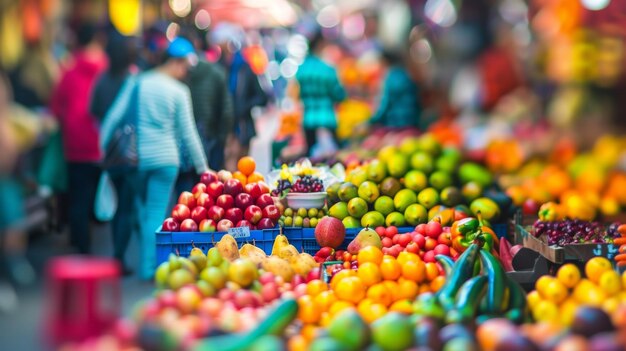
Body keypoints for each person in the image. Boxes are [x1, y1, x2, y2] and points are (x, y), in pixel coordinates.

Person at [101, 37, 208, 280]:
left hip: (137, 160)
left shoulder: (137, 82)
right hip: (166, 160)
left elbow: (113, 117)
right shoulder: (179, 91)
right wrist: (204, 167)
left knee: (142, 208)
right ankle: (150, 268)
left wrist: (102, 148)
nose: (185, 73)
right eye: (185, 67)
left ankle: (147, 261)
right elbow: (188, 132)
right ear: (176, 62)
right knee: (156, 213)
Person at [49, 23, 108, 254]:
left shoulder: (69, 71)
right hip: (102, 142)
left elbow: (56, 107)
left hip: (75, 144)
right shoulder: (107, 69)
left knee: (78, 197)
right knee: (99, 194)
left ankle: (80, 246)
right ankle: (97, 240)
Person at [90, 30, 137, 275]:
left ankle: (115, 255)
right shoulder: (133, 81)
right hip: (130, 153)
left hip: (109, 151)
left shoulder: (101, 81)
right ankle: (119, 256)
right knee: (126, 207)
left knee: (115, 199)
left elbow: (94, 111)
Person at [175, 28, 234, 198]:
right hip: (211, 140)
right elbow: (227, 110)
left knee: (186, 196)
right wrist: (222, 139)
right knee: (211, 194)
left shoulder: (175, 75)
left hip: (182, 143)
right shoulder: (215, 71)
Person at [213, 24, 268, 168]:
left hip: (242, 128)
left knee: (242, 169)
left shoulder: (244, 67)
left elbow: (262, 97)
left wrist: (242, 107)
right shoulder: (218, 67)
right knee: (228, 169)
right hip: (224, 128)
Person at [295, 32, 346, 156]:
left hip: (308, 119)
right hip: (327, 117)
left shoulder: (301, 69)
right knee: (333, 157)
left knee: (311, 157)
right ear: (321, 45)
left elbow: (297, 94)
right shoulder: (328, 70)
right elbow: (340, 95)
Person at [370, 50, 421, 129]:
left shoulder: (389, 79)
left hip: (396, 123)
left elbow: (386, 103)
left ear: (385, 62)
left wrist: (373, 120)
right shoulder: (405, 74)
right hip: (412, 119)